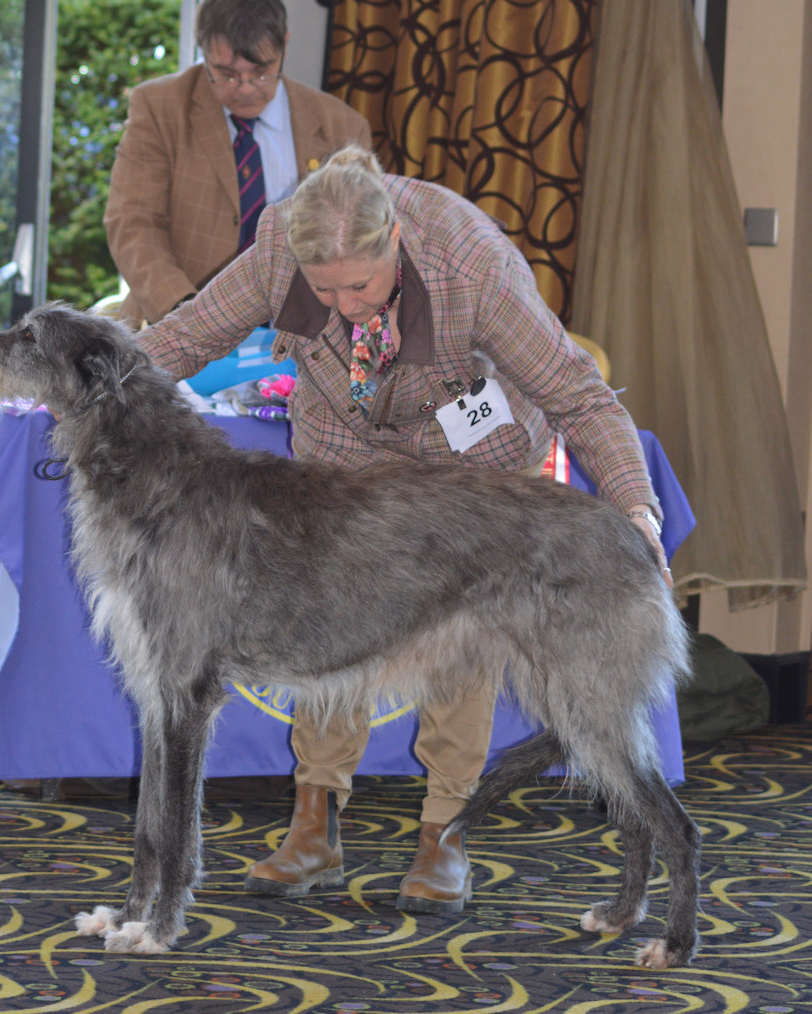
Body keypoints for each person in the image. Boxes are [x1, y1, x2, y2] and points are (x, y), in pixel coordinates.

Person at [135, 145, 671, 915]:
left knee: (462, 640)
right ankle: (314, 822)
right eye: (324, 290)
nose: (345, 305)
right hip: (343, 457)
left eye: (360, 285)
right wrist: (93, 379)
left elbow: (580, 397)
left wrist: (637, 508)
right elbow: (189, 338)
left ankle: (444, 834)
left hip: (473, 460)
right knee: (319, 623)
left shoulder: (471, 266)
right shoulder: (279, 248)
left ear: (395, 245)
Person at [104, 0, 372, 326]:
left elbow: (360, 242)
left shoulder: (341, 127)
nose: (245, 89)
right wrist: (186, 315)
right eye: (226, 74)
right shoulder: (160, 108)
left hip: (300, 333)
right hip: (180, 321)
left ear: (284, 44)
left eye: (261, 71)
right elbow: (132, 223)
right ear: (203, 52)